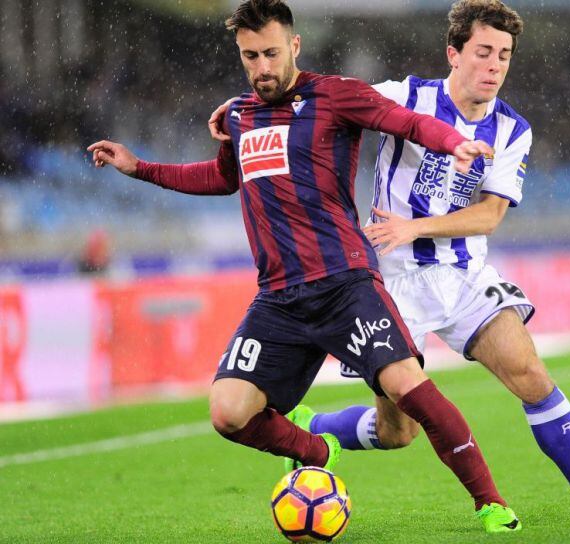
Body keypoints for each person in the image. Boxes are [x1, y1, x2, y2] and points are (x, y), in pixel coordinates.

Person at [208, 0, 570, 524]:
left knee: (531, 373)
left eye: (504, 55)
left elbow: (488, 217)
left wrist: (415, 227)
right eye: (483, 52)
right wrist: (242, 105)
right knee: (399, 432)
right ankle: (321, 425)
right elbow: (313, 94)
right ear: (454, 53)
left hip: (463, 275)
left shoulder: (513, 131)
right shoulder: (405, 95)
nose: (494, 66)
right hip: (393, 278)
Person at [88, 0, 521, 534]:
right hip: (279, 298)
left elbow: (407, 121)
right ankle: (318, 451)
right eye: (251, 57)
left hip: (345, 283)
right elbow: (225, 179)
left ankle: (490, 504)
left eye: (272, 52)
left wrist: (454, 141)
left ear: (294, 45)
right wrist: (141, 168)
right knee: (228, 411)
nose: (263, 67)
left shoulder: (335, 95)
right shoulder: (241, 116)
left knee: (409, 395)